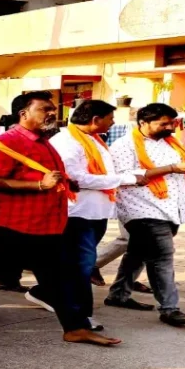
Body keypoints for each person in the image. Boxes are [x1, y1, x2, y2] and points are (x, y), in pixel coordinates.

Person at [0, 91, 120, 347]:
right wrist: (39, 185)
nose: (52, 113)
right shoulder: (8, 141)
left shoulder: (44, 141)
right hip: (13, 224)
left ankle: (74, 328)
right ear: (24, 113)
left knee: (58, 277)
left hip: (46, 224)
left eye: (53, 109)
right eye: (45, 109)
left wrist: (65, 182)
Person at [104, 103, 185, 326]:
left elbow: (181, 169)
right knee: (162, 257)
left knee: (138, 253)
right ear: (143, 123)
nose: (170, 127)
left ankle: (118, 294)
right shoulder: (124, 145)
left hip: (170, 208)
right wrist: (173, 168)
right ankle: (169, 308)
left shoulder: (171, 142)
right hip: (141, 208)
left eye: (172, 122)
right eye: (163, 123)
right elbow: (123, 176)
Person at [50, 100, 144, 332]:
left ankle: (51, 297)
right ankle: (81, 317)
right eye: (110, 118)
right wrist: (125, 179)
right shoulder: (66, 141)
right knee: (82, 266)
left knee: (79, 265)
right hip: (77, 213)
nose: (113, 123)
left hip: (95, 213)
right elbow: (76, 178)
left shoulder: (95, 140)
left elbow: (103, 173)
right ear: (95, 120)